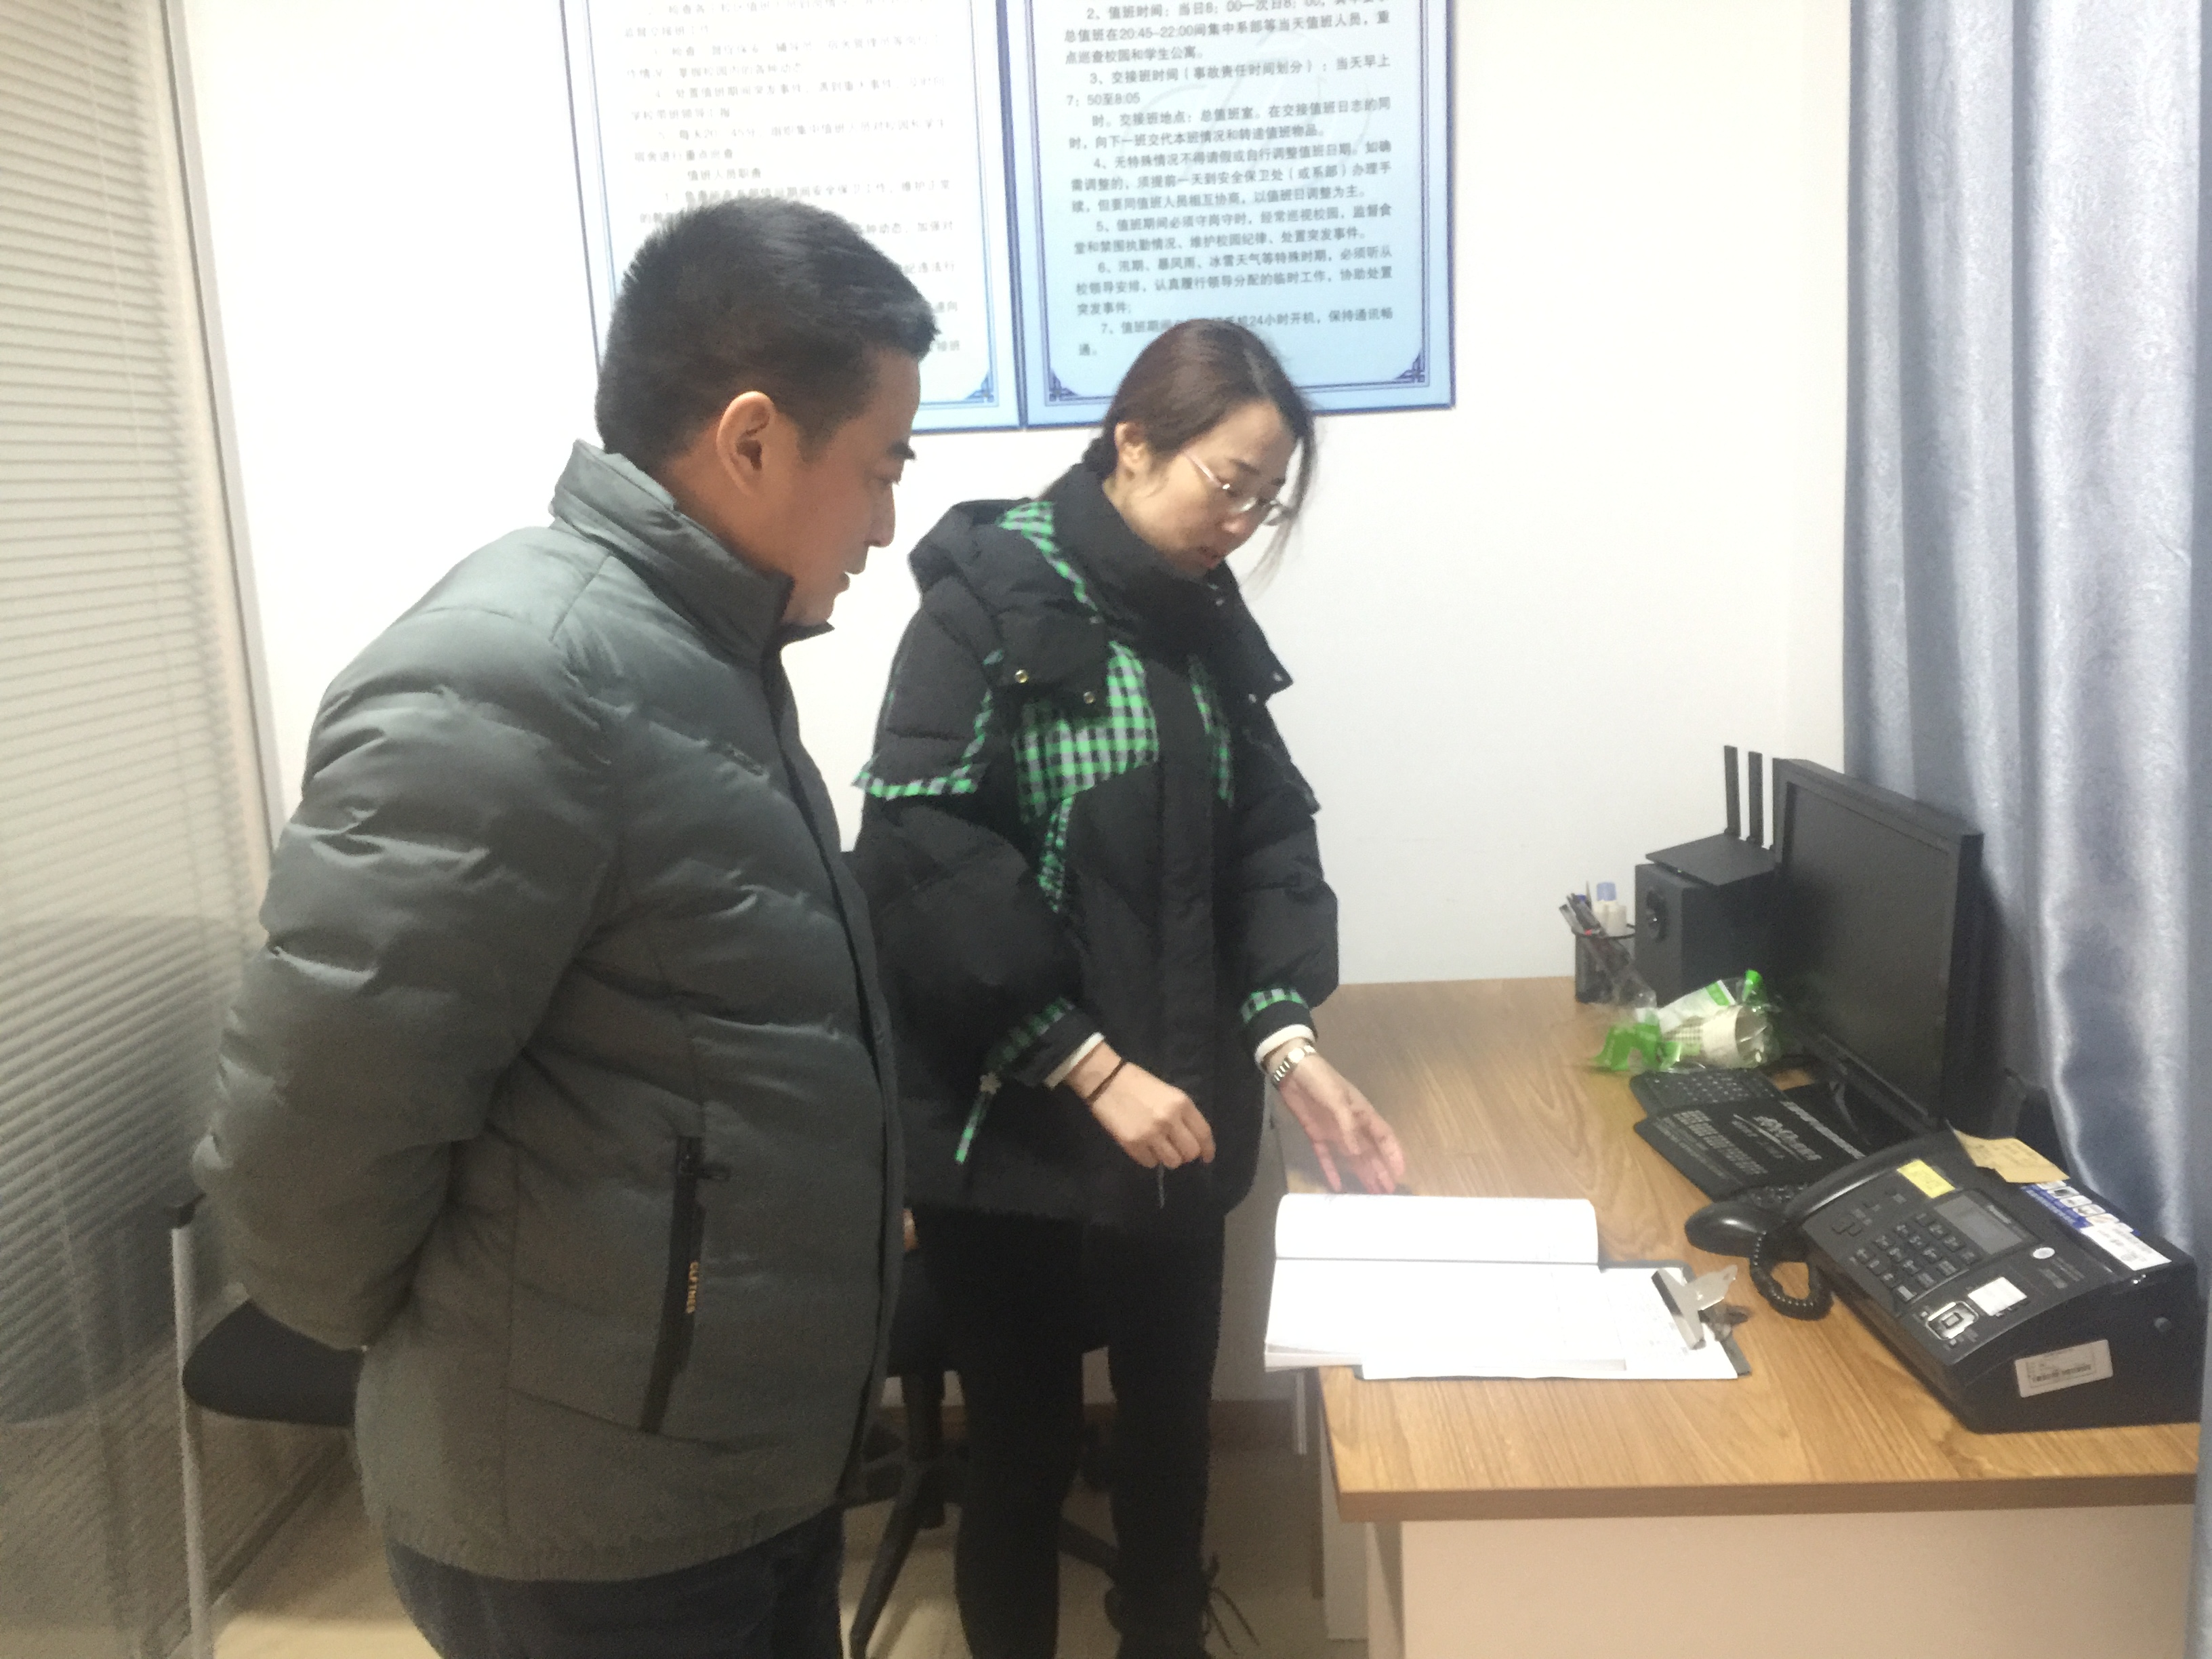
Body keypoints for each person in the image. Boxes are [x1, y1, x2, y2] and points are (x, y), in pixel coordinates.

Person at [194, 197, 933, 1658]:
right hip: (586, 1510)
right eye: (880, 467)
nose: (886, 523)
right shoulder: (519, 676)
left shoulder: (698, 656)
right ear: (751, 439)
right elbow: (311, 1135)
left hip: (724, 1466)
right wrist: (468, 1346)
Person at [852, 319, 1406, 1659]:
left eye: (1266, 501)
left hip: (1179, 1120)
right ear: (1134, 441)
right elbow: (923, 858)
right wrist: (1088, 1061)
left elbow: (1265, 837)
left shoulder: (1200, 619)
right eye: (1228, 484)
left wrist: (1286, 1039)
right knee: (1024, 1449)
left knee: (1169, 1438)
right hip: (1011, 1132)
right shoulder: (985, 601)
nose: (1242, 524)